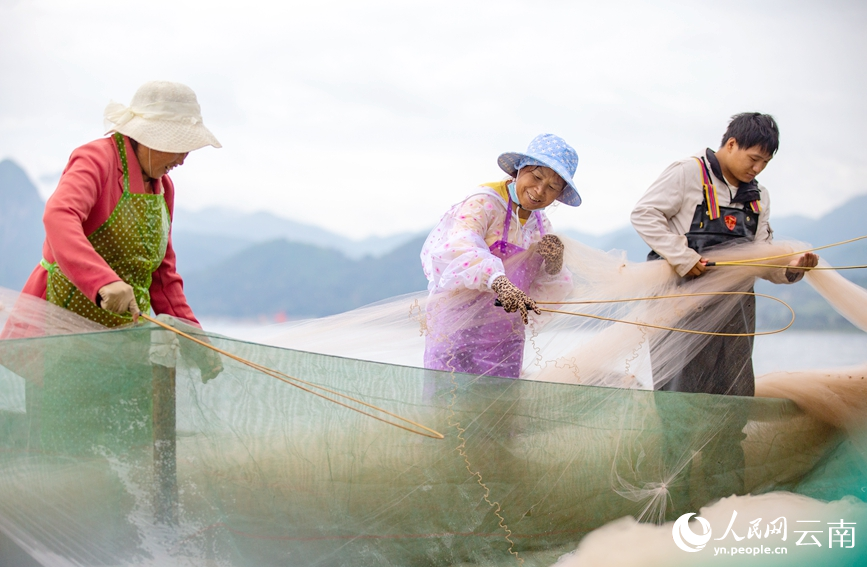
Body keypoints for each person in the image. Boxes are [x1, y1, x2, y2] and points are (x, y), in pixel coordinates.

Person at [630, 112, 818, 517]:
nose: (757, 168)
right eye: (753, 158)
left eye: (765, 163)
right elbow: (644, 214)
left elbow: (763, 259)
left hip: (735, 315)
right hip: (681, 309)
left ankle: (725, 517)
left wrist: (791, 268)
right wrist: (683, 257)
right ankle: (676, 522)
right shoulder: (686, 173)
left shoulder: (758, 195)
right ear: (730, 144)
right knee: (679, 415)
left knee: (730, 415)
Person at [20, 80, 223, 379]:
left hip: (125, 345)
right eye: (180, 147)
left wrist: (195, 340)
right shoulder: (96, 159)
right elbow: (59, 216)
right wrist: (102, 281)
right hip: (61, 338)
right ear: (152, 137)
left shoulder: (163, 188)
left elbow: (163, 278)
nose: (183, 159)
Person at [421, 134, 580, 379]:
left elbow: (547, 286)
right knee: (448, 407)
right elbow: (459, 247)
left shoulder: (540, 224)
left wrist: (554, 262)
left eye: (552, 187)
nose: (539, 191)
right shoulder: (485, 201)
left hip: (504, 336)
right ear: (519, 169)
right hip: (458, 329)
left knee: (498, 411)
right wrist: (499, 281)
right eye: (536, 177)